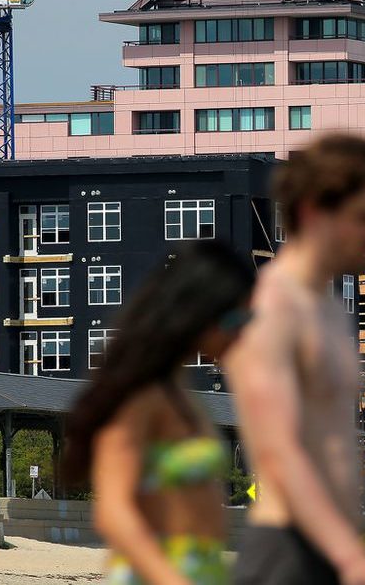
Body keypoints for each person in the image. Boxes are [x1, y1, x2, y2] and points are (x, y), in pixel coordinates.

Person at [226, 134, 365, 585]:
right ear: (311, 213)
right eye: (364, 218)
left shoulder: (324, 306)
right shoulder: (276, 309)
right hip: (287, 553)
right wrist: (352, 560)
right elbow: (279, 450)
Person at [63, 240, 255, 585]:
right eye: (236, 318)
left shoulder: (180, 393)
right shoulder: (139, 395)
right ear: (199, 312)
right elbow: (113, 510)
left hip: (204, 569)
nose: (242, 332)